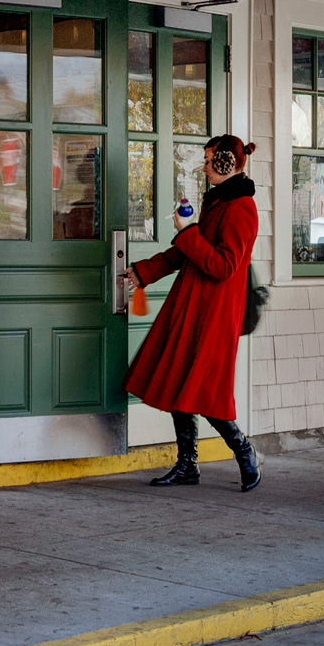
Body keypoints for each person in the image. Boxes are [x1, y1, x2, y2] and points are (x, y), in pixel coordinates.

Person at [124, 133, 260, 490]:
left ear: (225, 163)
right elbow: (188, 251)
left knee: (208, 394)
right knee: (179, 383)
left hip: (214, 317)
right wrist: (144, 272)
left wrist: (187, 232)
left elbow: (223, 266)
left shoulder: (241, 208)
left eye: (209, 158)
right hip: (193, 309)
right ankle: (187, 466)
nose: (204, 165)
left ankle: (245, 453)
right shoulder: (217, 202)